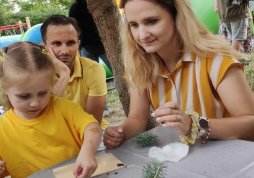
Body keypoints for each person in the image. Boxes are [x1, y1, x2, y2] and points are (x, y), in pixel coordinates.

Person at [103, 0, 254, 149]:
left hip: (231, 157)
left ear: (178, 17)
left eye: (152, 21)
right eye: (134, 25)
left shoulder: (217, 59)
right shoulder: (140, 65)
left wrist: (195, 125)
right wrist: (121, 133)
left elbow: (250, 124)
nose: (142, 35)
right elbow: (136, 118)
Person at [0, 42, 102, 178]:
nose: (35, 103)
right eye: (24, 96)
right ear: (4, 88)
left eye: (42, 93)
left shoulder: (64, 108)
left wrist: (88, 151)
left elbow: (93, 127)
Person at [40, 15, 109, 130]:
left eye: (70, 43)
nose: (65, 51)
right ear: (45, 47)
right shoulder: (36, 74)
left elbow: (93, 121)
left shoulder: (93, 69)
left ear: (78, 44)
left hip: (90, 132)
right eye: (57, 43)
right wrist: (64, 75)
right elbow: (44, 120)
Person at [68, 0, 115, 117]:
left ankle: (107, 108)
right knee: (91, 79)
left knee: (117, 73)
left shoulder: (97, 3)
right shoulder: (75, 7)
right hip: (87, 45)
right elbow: (73, 27)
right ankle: (102, 109)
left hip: (102, 43)